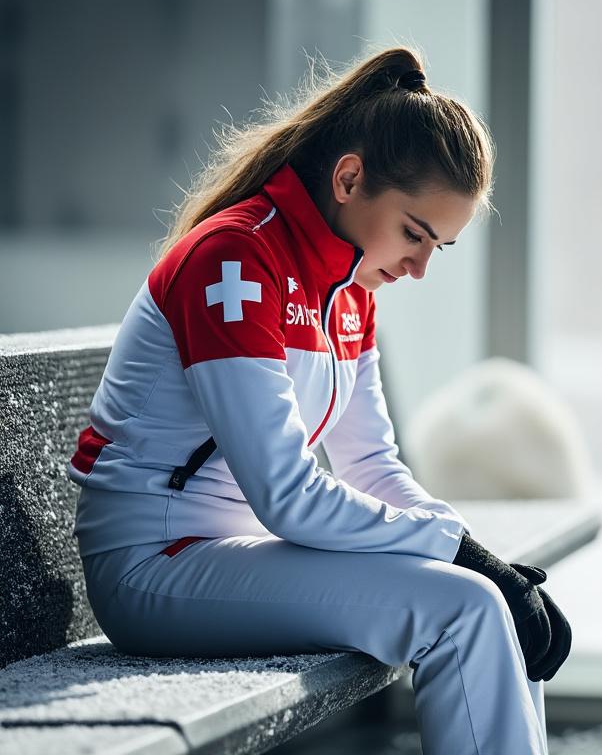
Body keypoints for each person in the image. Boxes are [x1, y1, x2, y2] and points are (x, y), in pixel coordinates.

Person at [66, 48, 567, 755]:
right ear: (350, 177)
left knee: (506, 606)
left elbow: (373, 468)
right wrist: (464, 557)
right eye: (415, 234)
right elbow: (288, 496)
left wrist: (490, 562)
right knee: (468, 605)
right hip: (155, 565)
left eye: (440, 249)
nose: (420, 268)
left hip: (234, 555)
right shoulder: (234, 261)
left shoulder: (350, 292)